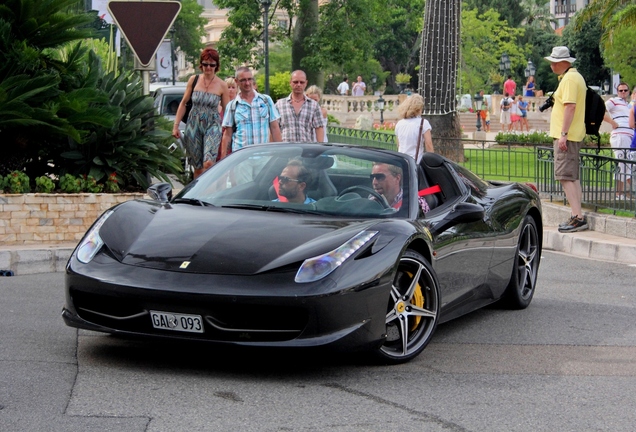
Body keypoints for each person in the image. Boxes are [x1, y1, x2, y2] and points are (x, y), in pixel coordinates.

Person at [545, 46, 588, 233]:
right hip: (572, 135)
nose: (552, 65)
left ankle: (578, 217)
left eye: (555, 62)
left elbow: (570, 107)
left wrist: (563, 134)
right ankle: (577, 215)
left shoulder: (570, 79)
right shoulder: (573, 77)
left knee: (564, 176)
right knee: (571, 177)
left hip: (567, 136)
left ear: (565, 62)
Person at [173, 48, 230, 179]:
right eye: (205, 64)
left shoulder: (222, 85)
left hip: (212, 124)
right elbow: (183, 103)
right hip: (193, 124)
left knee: (209, 162)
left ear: (216, 66)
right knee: (197, 167)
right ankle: (196, 194)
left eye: (212, 65)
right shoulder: (194, 80)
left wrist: (228, 129)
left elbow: (227, 110)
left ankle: (210, 191)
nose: (208, 67)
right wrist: (176, 126)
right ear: (201, 65)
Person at [220, 67, 282, 158]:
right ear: (236, 81)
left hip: (263, 157)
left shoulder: (266, 101)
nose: (247, 83)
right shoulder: (232, 105)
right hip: (241, 158)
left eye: (249, 79)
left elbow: (274, 127)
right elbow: (227, 134)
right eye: (243, 80)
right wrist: (224, 159)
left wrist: (280, 154)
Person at [275, 70, 324, 143]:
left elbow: (319, 128)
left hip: (306, 150)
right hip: (285, 150)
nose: (298, 85)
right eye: (295, 82)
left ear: (306, 83)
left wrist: (320, 148)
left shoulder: (314, 105)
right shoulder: (279, 105)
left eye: (302, 82)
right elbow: (274, 129)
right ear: (290, 82)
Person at [603, 82, 634, 199]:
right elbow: (600, 110)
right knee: (622, 164)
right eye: (620, 91)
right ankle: (619, 193)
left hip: (628, 136)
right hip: (620, 135)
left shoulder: (628, 105)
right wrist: (612, 122)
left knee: (627, 165)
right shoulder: (613, 101)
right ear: (617, 92)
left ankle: (627, 192)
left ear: (628, 91)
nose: (623, 93)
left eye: (625, 90)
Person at [394, 94, 434, 163]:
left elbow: (399, 144)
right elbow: (428, 144)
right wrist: (432, 162)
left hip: (402, 162)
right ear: (419, 108)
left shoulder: (399, 124)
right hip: (416, 162)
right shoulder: (423, 123)